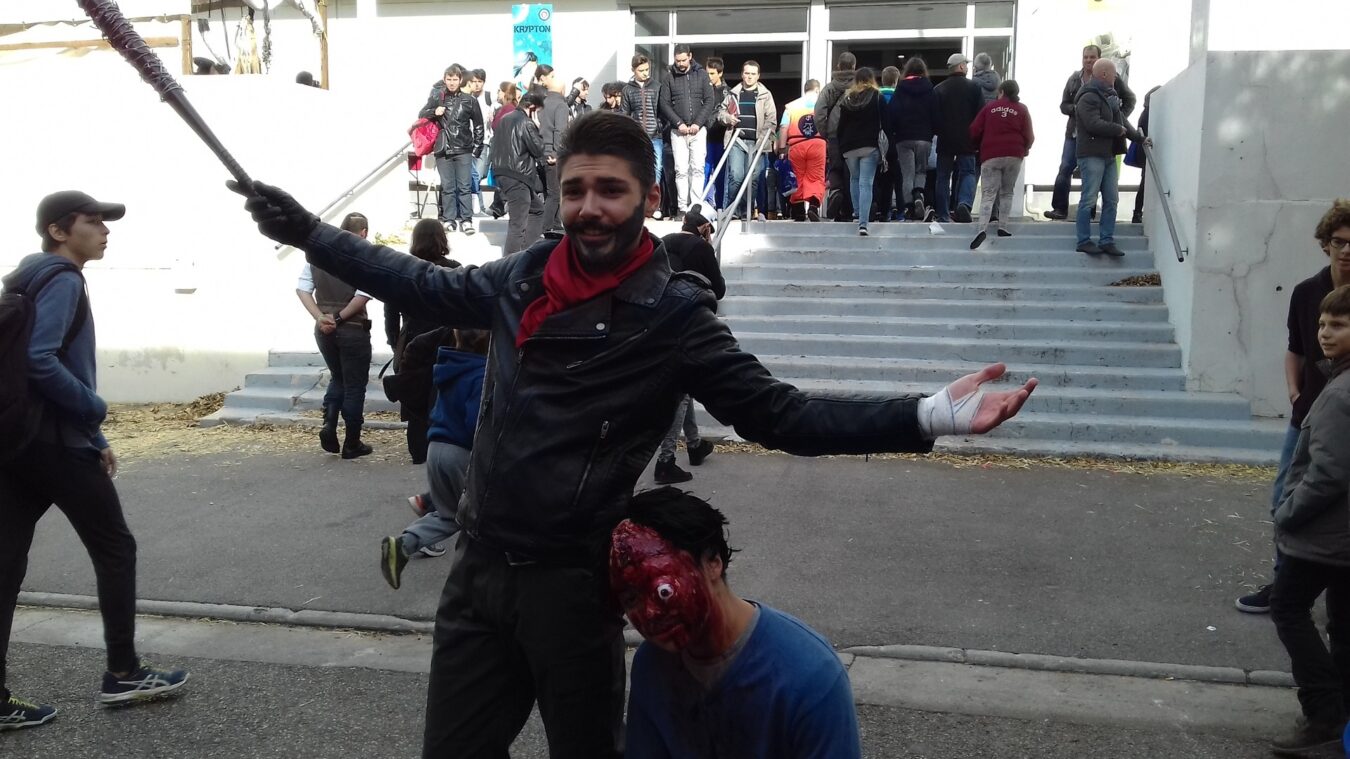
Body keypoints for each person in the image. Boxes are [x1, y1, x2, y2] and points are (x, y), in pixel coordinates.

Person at [229, 110, 1037, 758]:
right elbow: (418, 281)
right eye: (575, 190)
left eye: (610, 191)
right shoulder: (521, 277)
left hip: (571, 588)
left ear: (648, 199)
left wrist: (924, 414)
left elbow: (778, 413)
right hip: (478, 571)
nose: (589, 207)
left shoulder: (674, 315)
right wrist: (310, 232)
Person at [1, 191, 189, 730]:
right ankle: (124, 673)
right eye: (93, 222)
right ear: (59, 232)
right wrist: (93, 409)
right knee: (115, 548)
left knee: (6, 562)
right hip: (58, 445)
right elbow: (41, 359)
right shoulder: (63, 278)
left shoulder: (24, 280)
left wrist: (95, 432)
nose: (105, 231)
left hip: (18, 441)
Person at [613, 487, 863, 758]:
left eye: (662, 589)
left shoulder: (811, 678)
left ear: (713, 562)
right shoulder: (652, 667)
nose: (649, 612)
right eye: (630, 599)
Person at [1237, 200, 1350, 614]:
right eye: (1339, 241)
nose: (1346, 251)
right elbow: (1295, 349)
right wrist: (1294, 391)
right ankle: (1285, 584)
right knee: (1285, 499)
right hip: (1309, 416)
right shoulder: (1307, 292)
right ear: (1325, 244)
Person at [1267, 284, 1350, 757]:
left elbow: (1328, 473)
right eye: (1322, 323)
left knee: (1287, 606)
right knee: (1343, 621)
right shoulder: (1338, 381)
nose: (1324, 333)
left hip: (1324, 533)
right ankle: (1341, 715)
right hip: (1339, 534)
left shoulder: (1340, 394)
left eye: (1338, 324)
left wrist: (1287, 512)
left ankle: (1323, 713)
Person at [382, 328, 489, 590]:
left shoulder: (448, 369)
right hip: (460, 452)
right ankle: (480, 575)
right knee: (474, 514)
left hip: (437, 448)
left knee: (448, 512)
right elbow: (475, 423)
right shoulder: (480, 375)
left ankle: (403, 544)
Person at [654, 206, 724, 485]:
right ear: (704, 227)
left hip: (659, 321)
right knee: (681, 393)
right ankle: (665, 461)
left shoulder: (662, 242)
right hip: (687, 323)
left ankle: (694, 445)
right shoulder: (702, 248)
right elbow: (719, 289)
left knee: (684, 385)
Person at [296, 212, 375, 459]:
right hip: (353, 328)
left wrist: (321, 317)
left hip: (324, 330)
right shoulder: (362, 256)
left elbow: (302, 289)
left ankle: (329, 424)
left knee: (337, 377)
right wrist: (339, 318)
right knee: (355, 385)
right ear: (363, 232)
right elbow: (362, 295)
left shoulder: (317, 255)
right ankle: (352, 442)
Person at [384, 218, 460, 463]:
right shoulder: (453, 270)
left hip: (413, 340)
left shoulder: (403, 270)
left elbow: (390, 312)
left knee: (415, 395)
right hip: (445, 340)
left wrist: (394, 341)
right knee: (444, 394)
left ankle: (418, 450)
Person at [1046, 45, 1135, 221]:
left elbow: (1130, 99)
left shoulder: (1112, 78)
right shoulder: (1074, 79)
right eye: (1085, 57)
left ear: (1099, 59)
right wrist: (1076, 109)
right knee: (1065, 167)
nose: (1088, 60)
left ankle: (1090, 212)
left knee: (1094, 173)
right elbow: (1063, 105)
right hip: (1074, 134)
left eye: (1092, 57)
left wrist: (1118, 117)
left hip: (1099, 136)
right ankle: (1059, 208)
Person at [1074, 59, 1149, 258]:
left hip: (1108, 154)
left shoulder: (1109, 97)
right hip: (1091, 154)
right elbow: (1093, 124)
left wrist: (1139, 138)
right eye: (1114, 74)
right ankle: (1083, 241)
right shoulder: (1088, 97)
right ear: (1105, 74)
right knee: (1089, 199)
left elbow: (1121, 119)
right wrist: (1117, 129)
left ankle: (1106, 240)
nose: (1116, 77)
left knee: (1112, 199)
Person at [418, 64, 485, 235]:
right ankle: (449, 219)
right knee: (448, 186)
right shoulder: (438, 97)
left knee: (464, 186)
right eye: (449, 79)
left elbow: (479, 125)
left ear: (460, 80)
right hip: (443, 148)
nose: (452, 82)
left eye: (455, 79)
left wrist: (477, 150)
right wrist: (434, 111)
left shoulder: (469, 100)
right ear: (444, 79)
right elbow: (421, 114)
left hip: (464, 148)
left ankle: (466, 220)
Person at [968, 79, 1033, 250]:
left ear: (1001, 92)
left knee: (988, 193)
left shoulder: (989, 107)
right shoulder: (1022, 109)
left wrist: (977, 146)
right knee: (1007, 192)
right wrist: (1024, 149)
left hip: (991, 154)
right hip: (1014, 154)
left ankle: (982, 228)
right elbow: (1029, 135)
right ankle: (1002, 226)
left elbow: (974, 129)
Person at [489, 91, 547, 256]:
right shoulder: (527, 123)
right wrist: (538, 128)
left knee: (537, 209)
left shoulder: (505, 118)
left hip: (503, 172)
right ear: (532, 108)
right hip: (518, 174)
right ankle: (511, 261)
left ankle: (528, 252)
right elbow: (538, 149)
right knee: (517, 223)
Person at [660, 44, 715, 220]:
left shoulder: (702, 75)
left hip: (698, 130)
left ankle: (695, 207)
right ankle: (682, 207)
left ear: (690, 56)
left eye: (684, 60)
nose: (681, 64)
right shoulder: (669, 77)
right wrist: (678, 123)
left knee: (698, 168)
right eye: (678, 61)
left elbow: (709, 100)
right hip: (678, 131)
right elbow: (664, 104)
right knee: (681, 170)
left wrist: (698, 123)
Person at [933, 53, 984, 224]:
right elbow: (980, 115)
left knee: (942, 177)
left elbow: (934, 117)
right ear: (961, 66)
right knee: (968, 172)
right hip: (967, 139)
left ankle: (943, 214)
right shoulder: (974, 87)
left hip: (945, 139)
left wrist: (939, 131)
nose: (968, 67)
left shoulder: (939, 89)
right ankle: (964, 203)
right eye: (966, 65)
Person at [886, 57, 939, 222]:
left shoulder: (900, 88)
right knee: (921, 170)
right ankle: (918, 194)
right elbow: (935, 113)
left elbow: (892, 112)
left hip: (903, 138)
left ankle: (909, 207)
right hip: (924, 137)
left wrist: (893, 131)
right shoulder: (929, 88)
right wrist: (933, 131)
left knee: (907, 173)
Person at [725, 60, 777, 221]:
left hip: (757, 143)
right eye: (747, 73)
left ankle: (746, 211)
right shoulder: (733, 93)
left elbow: (772, 119)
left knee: (753, 179)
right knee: (736, 176)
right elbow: (720, 112)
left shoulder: (765, 95)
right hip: (737, 141)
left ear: (758, 76)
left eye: (753, 74)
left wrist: (763, 139)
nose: (749, 77)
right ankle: (732, 210)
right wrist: (727, 118)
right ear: (742, 74)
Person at [836, 67, 884, 237]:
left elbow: (840, 126)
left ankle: (857, 214)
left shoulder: (847, 98)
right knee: (866, 183)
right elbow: (885, 121)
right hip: (869, 145)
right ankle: (863, 223)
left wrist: (841, 146)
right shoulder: (877, 97)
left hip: (849, 147)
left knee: (854, 179)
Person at [620, 54, 668, 217]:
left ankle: (654, 204)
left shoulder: (657, 86)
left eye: (647, 69)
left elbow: (663, 111)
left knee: (657, 168)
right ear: (633, 70)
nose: (646, 73)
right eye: (641, 70)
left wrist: (660, 126)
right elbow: (624, 114)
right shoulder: (627, 90)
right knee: (637, 170)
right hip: (637, 137)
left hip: (656, 135)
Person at [815, 51, 857, 223]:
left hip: (834, 135)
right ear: (854, 66)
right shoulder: (859, 86)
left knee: (835, 167)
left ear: (838, 66)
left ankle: (836, 192)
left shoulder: (830, 88)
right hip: (853, 136)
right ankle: (848, 209)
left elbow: (819, 112)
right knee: (851, 171)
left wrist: (825, 132)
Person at [778, 79, 825, 222]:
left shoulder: (792, 106)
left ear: (805, 90)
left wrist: (782, 148)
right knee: (816, 176)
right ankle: (813, 207)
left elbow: (783, 127)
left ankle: (798, 212)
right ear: (817, 90)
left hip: (796, 144)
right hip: (817, 144)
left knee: (796, 178)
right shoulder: (822, 105)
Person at [539, 76, 571, 234]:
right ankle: (544, 227)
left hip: (541, 151)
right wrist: (557, 153)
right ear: (562, 90)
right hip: (553, 153)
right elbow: (560, 131)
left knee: (550, 191)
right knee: (555, 193)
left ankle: (557, 223)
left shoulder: (541, 104)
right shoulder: (561, 105)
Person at [703, 58, 732, 210]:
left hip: (721, 138)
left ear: (720, 73)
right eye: (707, 73)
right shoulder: (703, 89)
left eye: (712, 73)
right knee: (704, 173)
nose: (709, 76)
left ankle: (720, 207)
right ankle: (702, 206)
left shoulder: (728, 92)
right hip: (705, 137)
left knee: (720, 175)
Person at [467, 69, 495, 217]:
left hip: (483, 142)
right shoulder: (467, 97)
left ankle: (476, 207)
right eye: (474, 81)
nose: (477, 85)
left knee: (478, 174)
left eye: (480, 82)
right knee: (474, 176)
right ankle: (478, 207)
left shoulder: (489, 98)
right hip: (468, 142)